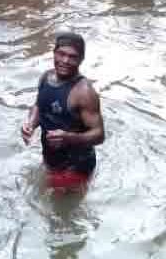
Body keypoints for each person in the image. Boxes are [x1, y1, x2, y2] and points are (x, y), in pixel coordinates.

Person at [21, 32, 105, 193]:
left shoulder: (84, 92)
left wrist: (69, 137)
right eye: (61, 54)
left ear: (81, 59)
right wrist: (30, 123)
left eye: (72, 57)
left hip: (76, 166)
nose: (65, 61)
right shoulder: (46, 77)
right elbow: (39, 105)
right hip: (51, 158)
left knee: (57, 212)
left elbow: (99, 134)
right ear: (54, 53)